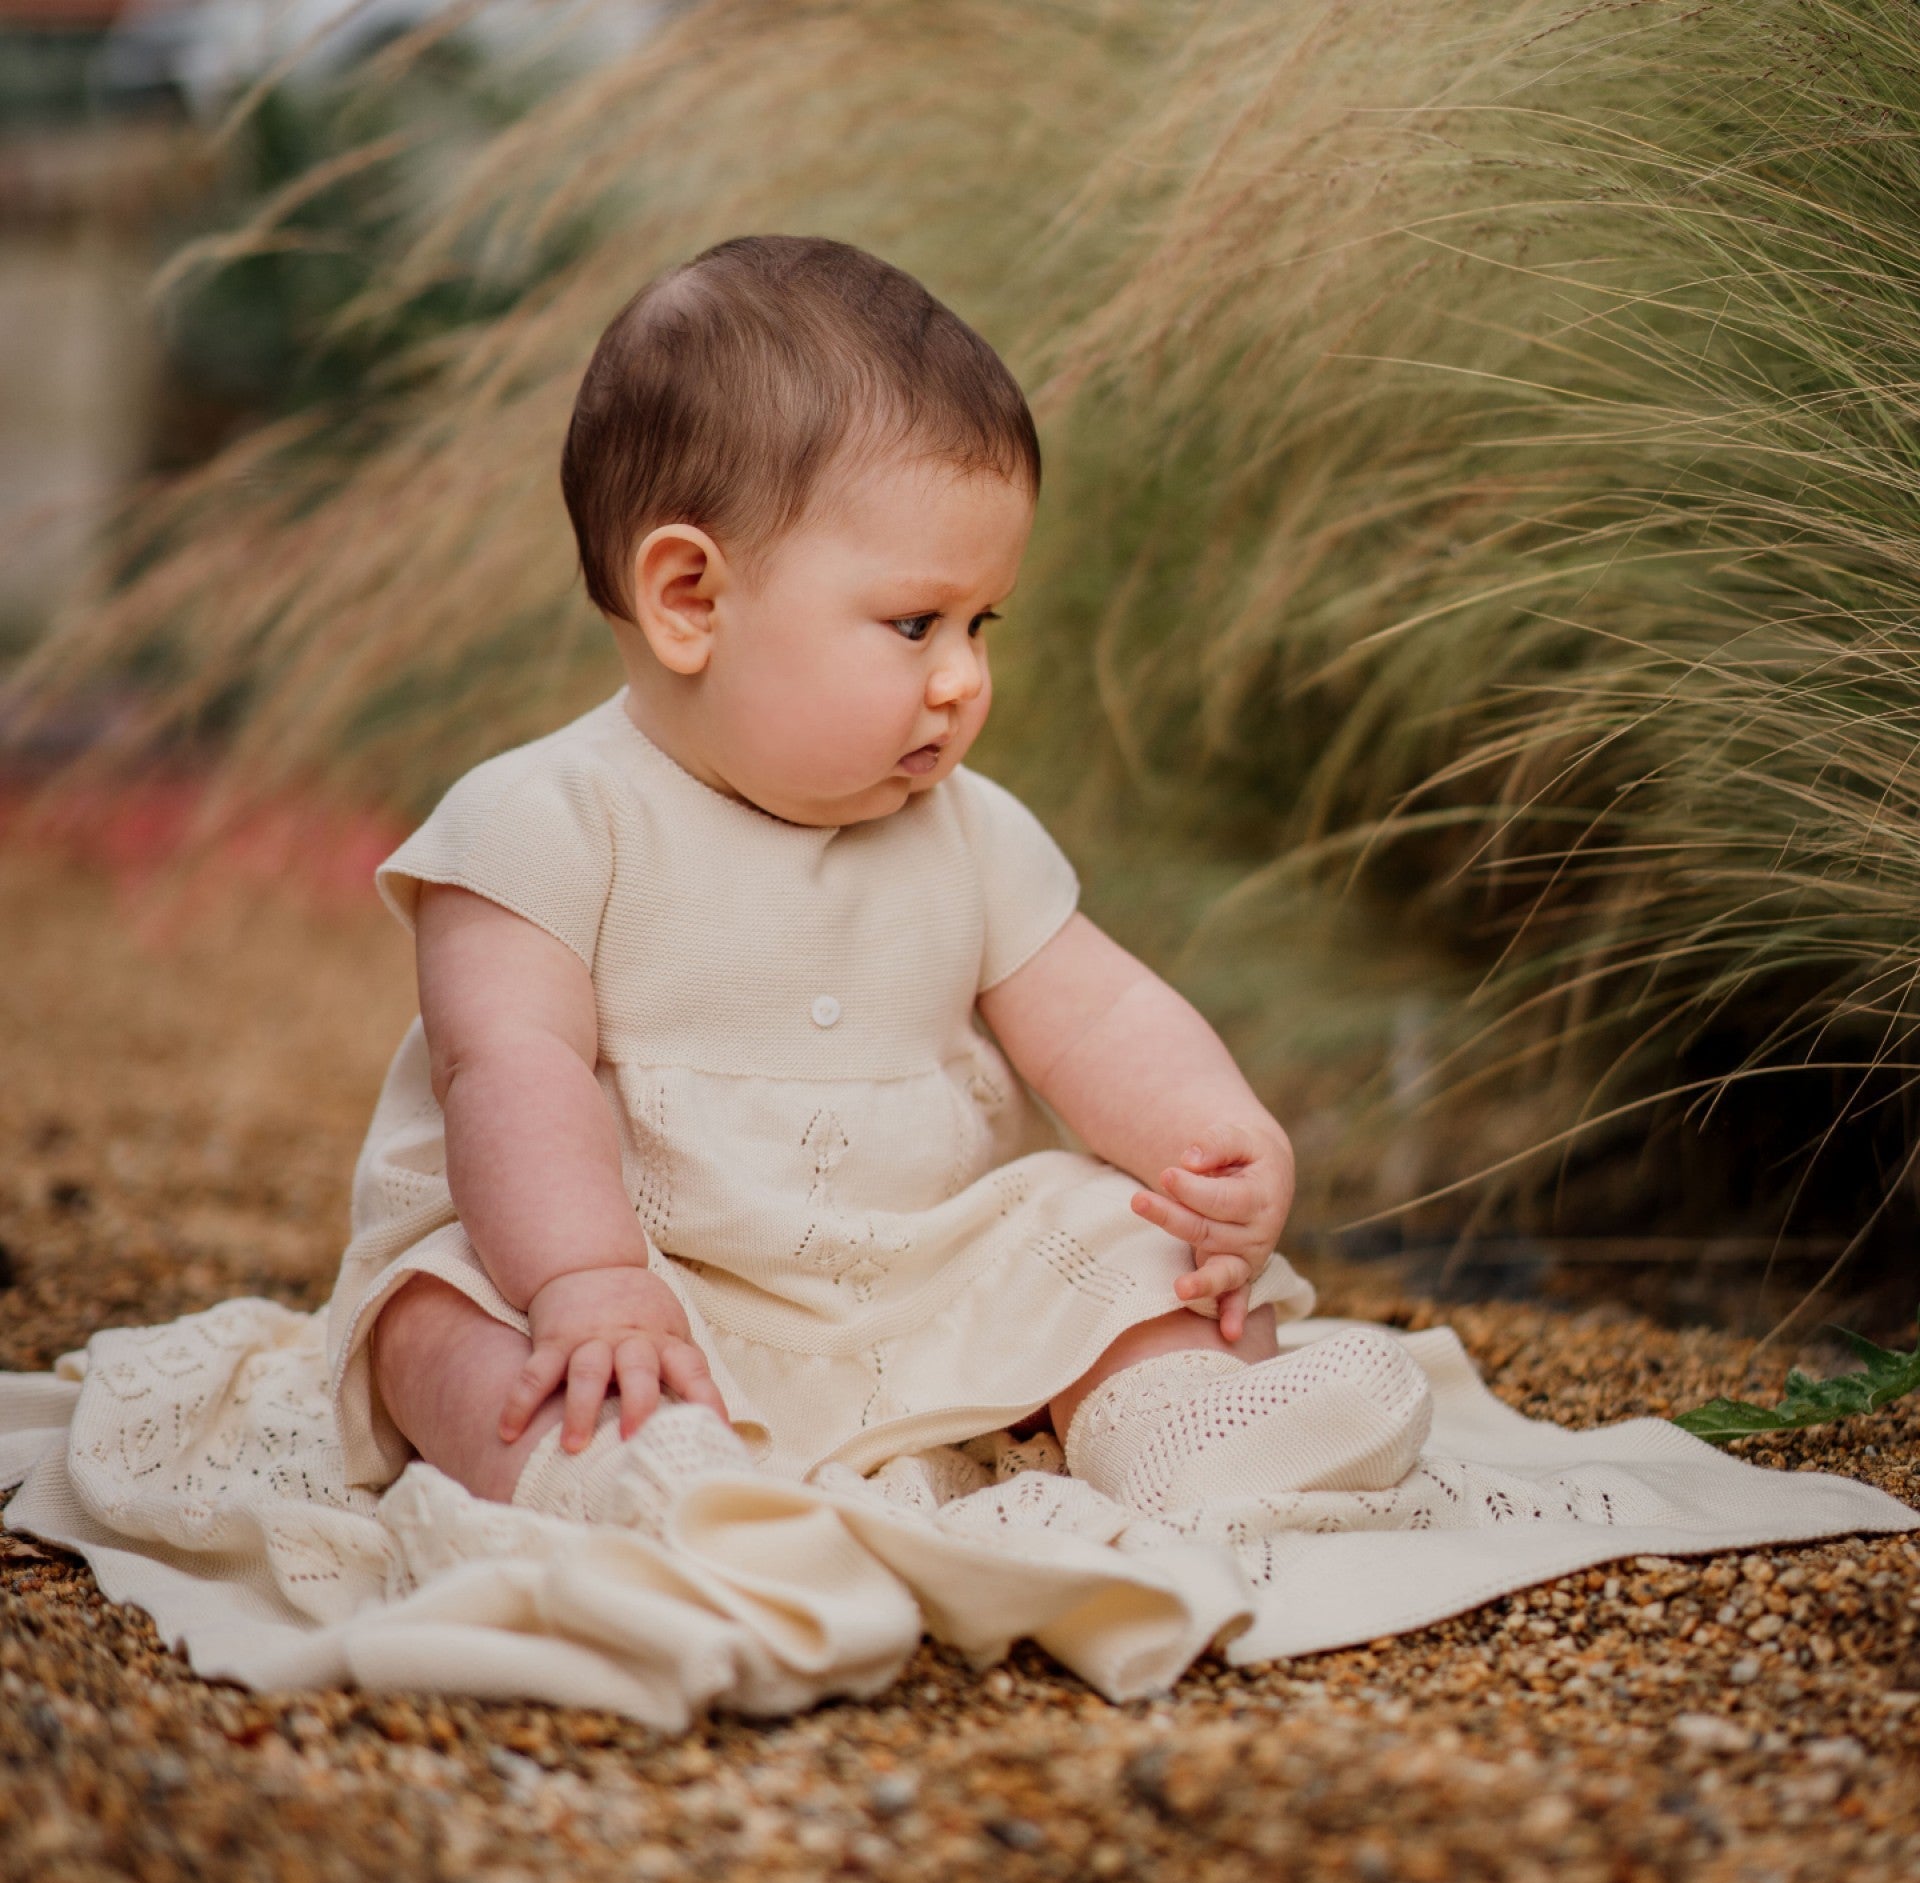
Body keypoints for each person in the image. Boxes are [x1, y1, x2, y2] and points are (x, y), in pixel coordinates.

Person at [327, 233, 1434, 1531]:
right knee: (438, 1310)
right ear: (690, 598)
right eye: (917, 623)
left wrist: (1213, 1139)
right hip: (633, 1267)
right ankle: (601, 1466)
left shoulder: (967, 830)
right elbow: (504, 1071)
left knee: (1108, 1229)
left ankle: (1180, 1421)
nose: (963, 677)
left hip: (906, 1272)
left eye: (983, 624)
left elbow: (1098, 1011)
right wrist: (585, 1281)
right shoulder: (542, 822)